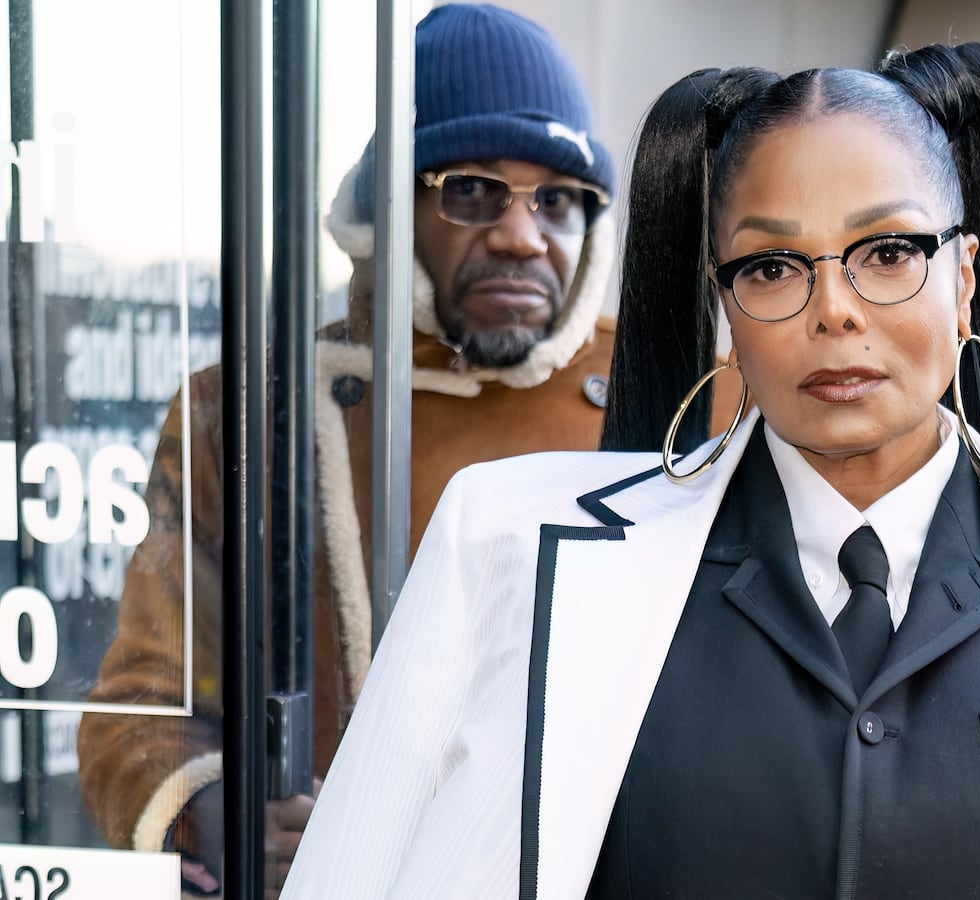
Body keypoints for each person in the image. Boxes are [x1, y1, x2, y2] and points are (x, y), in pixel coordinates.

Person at [283, 42, 980, 899]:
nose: (832, 309)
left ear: (963, 281)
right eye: (771, 267)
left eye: (886, 252)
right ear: (725, 306)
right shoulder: (506, 551)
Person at [72, 5, 705, 895]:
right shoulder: (242, 411)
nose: (524, 236)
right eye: (471, 190)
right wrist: (222, 812)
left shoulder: (687, 393)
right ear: (387, 213)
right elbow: (138, 704)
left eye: (558, 199)